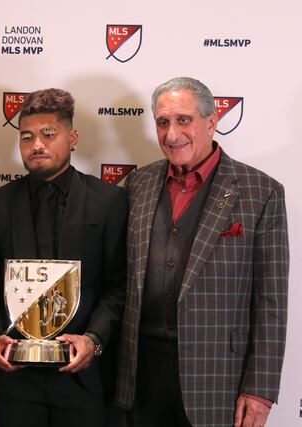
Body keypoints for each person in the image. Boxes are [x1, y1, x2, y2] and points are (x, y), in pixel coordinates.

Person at [114, 77, 289, 427]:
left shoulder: (261, 192)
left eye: (183, 120)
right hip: (140, 376)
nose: (171, 133)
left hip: (217, 383)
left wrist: (259, 389)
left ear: (211, 122)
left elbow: (271, 300)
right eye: (162, 122)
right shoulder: (136, 185)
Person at [0, 88, 127, 427]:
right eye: (26, 137)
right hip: (14, 377)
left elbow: (118, 287)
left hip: (81, 377)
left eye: (48, 134)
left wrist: (94, 340)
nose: (36, 145)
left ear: (72, 138)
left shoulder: (109, 200)